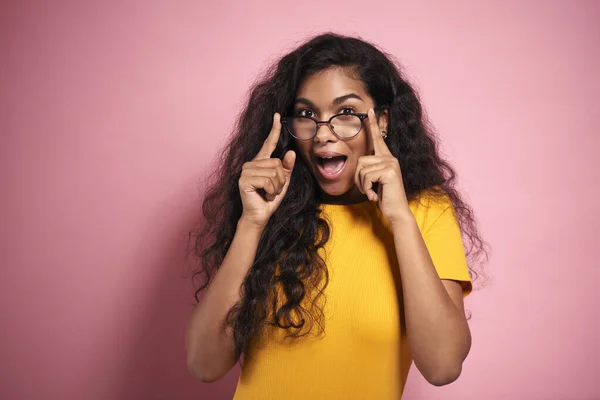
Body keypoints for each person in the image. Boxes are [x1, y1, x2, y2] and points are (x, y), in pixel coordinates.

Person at [185, 32, 489, 399]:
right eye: (307, 115)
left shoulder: (426, 212)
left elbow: (442, 366)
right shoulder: (271, 211)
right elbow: (204, 364)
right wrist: (251, 223)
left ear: (383, 122)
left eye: (346, 113)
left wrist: (400, 220)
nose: (323, 135)